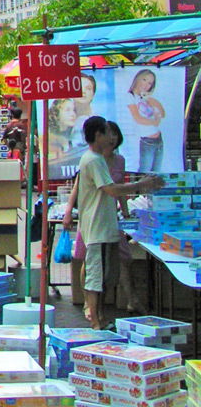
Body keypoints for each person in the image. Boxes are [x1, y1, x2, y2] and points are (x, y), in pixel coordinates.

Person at [63, 115, 163, 329]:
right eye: (107, 133)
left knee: (107, 275)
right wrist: (143, 185)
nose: (111, 137)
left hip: (105, 227)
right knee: (97, 276)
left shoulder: (100, 159)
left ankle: (100, 316)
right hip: (97, 228)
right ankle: (96, 320)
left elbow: (115, 193)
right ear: (98, 135)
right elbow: (111, 189)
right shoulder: (94, 160)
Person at [127, 69, 165, 172]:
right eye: (144, 80)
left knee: (157, 174)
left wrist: (151, 100)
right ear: (138, 78)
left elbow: (162, 113)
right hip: (146, 141)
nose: (146, 85)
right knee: (145, 173)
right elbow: (137, 118)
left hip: (159, 139)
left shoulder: (146, 98)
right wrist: (154, 122)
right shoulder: (130, 97)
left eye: (150, 83)